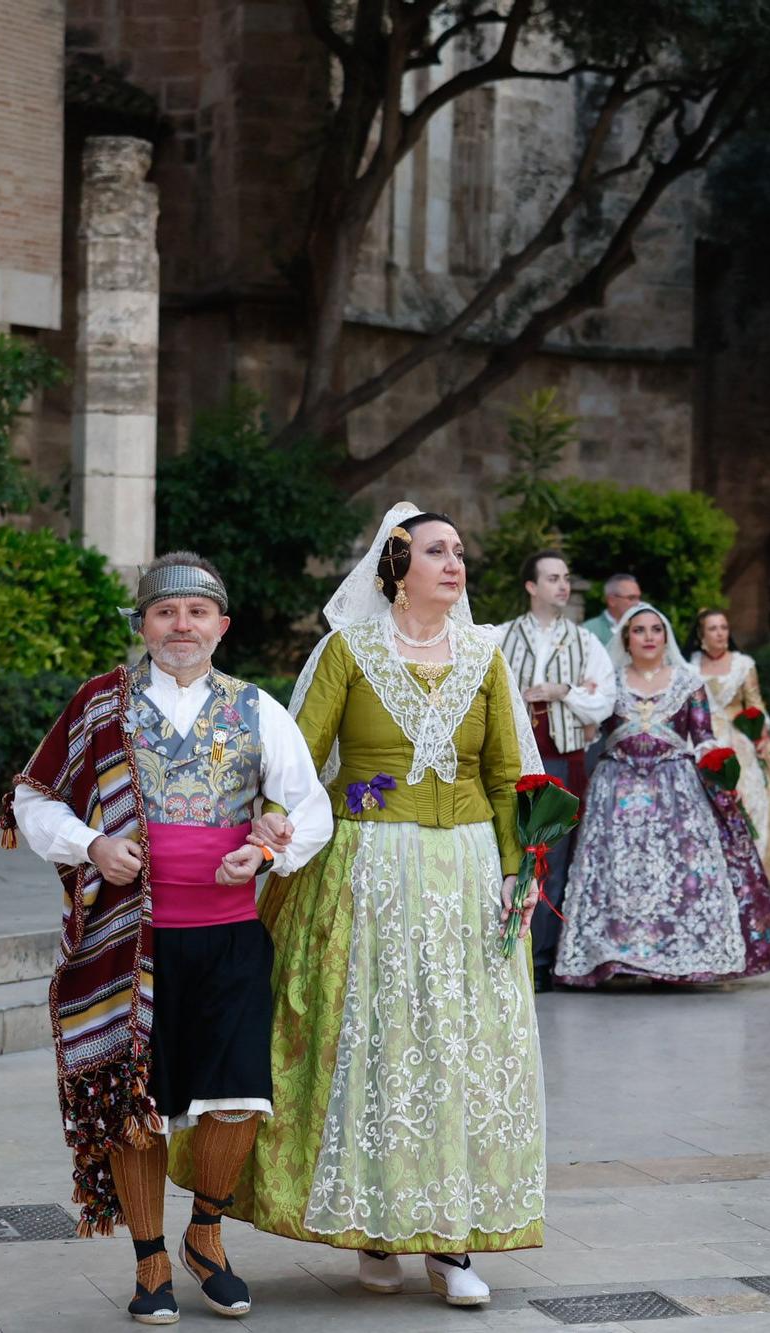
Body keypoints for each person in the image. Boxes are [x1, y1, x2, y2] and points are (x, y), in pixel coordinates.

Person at [218, 504, 545, 1308]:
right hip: (371, 872)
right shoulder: (349, 651)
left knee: (461, 1049)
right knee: (377, 1043)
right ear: (397, 568)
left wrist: (519, 869)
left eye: (460, 551)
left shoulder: (485, 656)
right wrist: (273, 832)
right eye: (437, 550)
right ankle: (374, 1225)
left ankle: (452, 1241)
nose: (455, 563)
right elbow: (298, 760)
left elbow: (508, 775)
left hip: (467, 873)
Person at [0, 553, 334, 1324]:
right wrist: (92, 845)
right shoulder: (99, 706)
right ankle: (150, 1255)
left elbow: (309, 807)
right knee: (132, 1104)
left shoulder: (257, 708)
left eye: (197, 614)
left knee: (239, 1098)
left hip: (229, 938)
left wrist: (269, 850)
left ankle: (206, 1235)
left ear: (221, 625)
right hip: (129, 944)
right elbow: (31, 797)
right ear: (142, 625)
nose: (181, 627)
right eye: (164, 613)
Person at [558, 604, 770, 985]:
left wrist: (722, 769)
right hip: (616, 791)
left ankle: (677, 956)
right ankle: (616, 958)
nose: (648, 637)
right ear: (626, 639)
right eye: (639, 630)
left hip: (675, 790)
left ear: (667, 638)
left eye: (656, 630)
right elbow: (590, 731)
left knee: (679, 874)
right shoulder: (610, 681)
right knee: (618, 876)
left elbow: (704, 736)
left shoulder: (688, 682)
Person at [498, 550, 615, 987]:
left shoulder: (585, 641)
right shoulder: (500, 636)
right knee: (509, 854)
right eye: (552, 578)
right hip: (512, 761)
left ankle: (543, 958)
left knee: (555, 857)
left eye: (566, 577)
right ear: (531, 587)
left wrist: (563, 691)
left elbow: (604, 699)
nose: (563, 586)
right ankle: (508, 950)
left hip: (563, 759)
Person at [693, 609, 770, 882]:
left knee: (749, 794)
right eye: (713, 628)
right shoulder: (689, 667)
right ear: (701, 635)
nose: (720, 633)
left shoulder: (743, 664)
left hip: (737, 737)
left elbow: (754, 703)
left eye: (724, 627)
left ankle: (747, 862)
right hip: (703, 737)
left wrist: (759, 732)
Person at [581, 572, 643, 647]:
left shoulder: (645, 628)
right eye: (631, 598)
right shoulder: (589, 630)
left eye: (638, 598)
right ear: (611, 601)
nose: (638, 603)